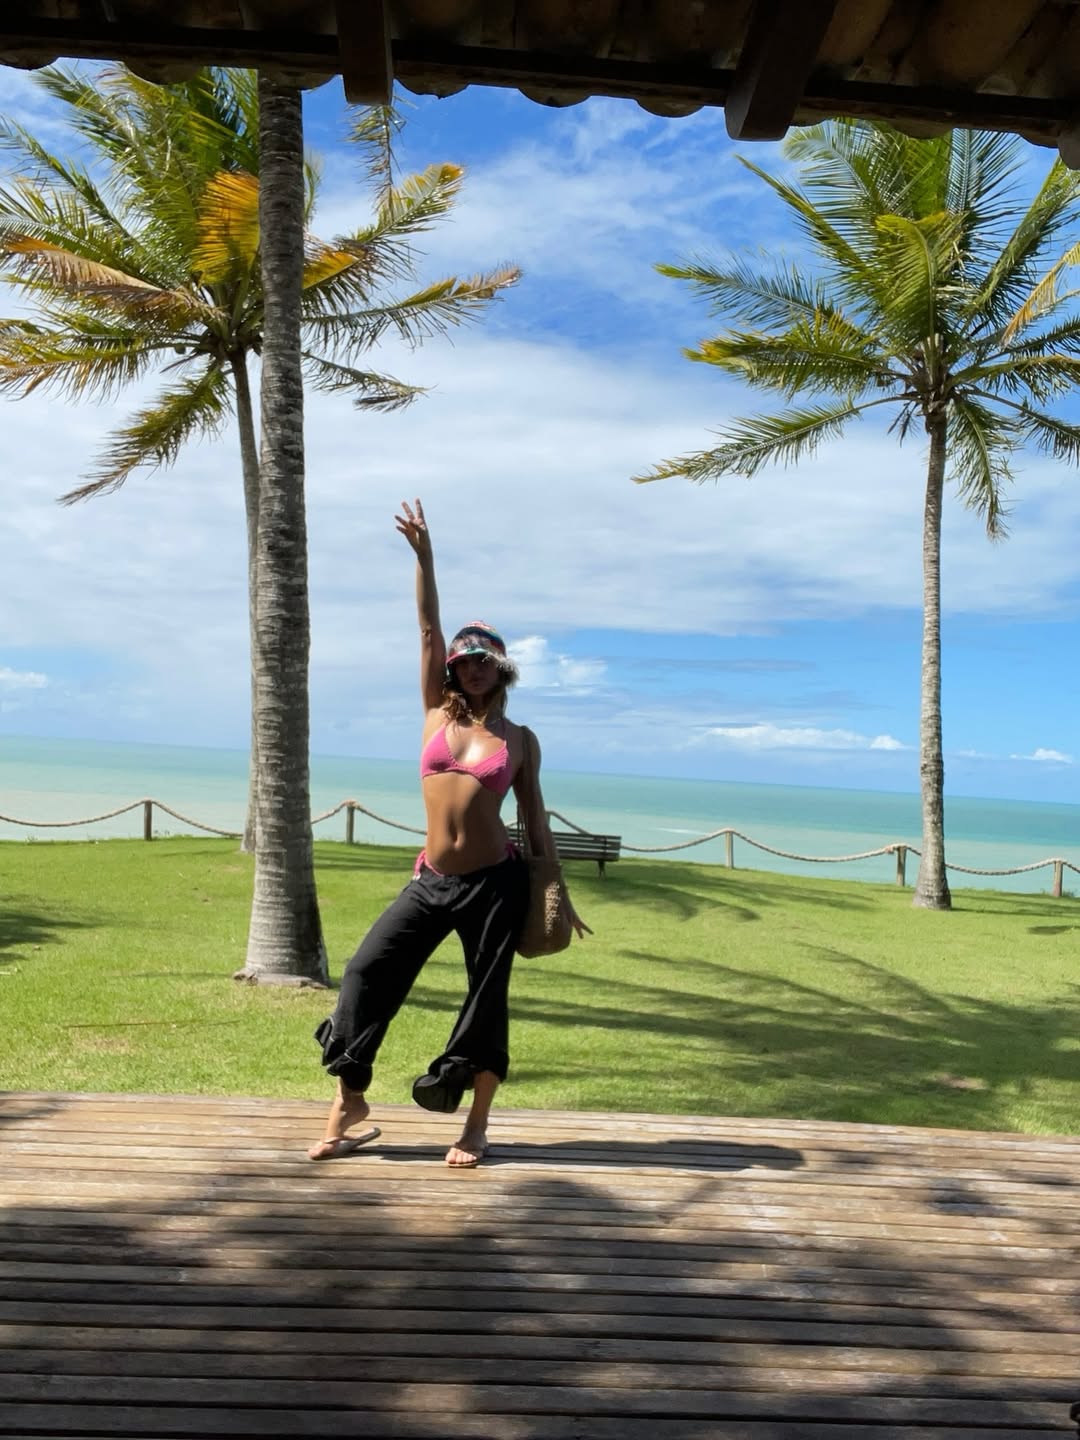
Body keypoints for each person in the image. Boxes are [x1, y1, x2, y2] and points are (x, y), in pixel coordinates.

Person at [309, 498, 590, 1167]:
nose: (472, 667)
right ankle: (350, 1102)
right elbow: (428, 626)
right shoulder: (436, 715)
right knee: (366, 972)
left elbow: (535, 815)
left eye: (484, 661)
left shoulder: (520, 740)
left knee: (486, 997)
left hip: (496, 884)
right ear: (453, 669)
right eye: (464, 661)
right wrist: (425, 557)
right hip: (431, 879)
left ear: (502, 670)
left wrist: (556, 889)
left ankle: (476, 1122)